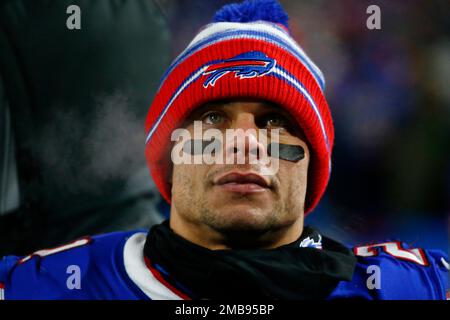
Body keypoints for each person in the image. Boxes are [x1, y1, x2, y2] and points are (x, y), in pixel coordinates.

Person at [0, 0, 448, 300]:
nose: (244, 141)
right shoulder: (49, 286)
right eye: (213, 119)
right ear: (169, 158)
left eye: (275, 122)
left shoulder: (412, 288)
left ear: (311, 165)